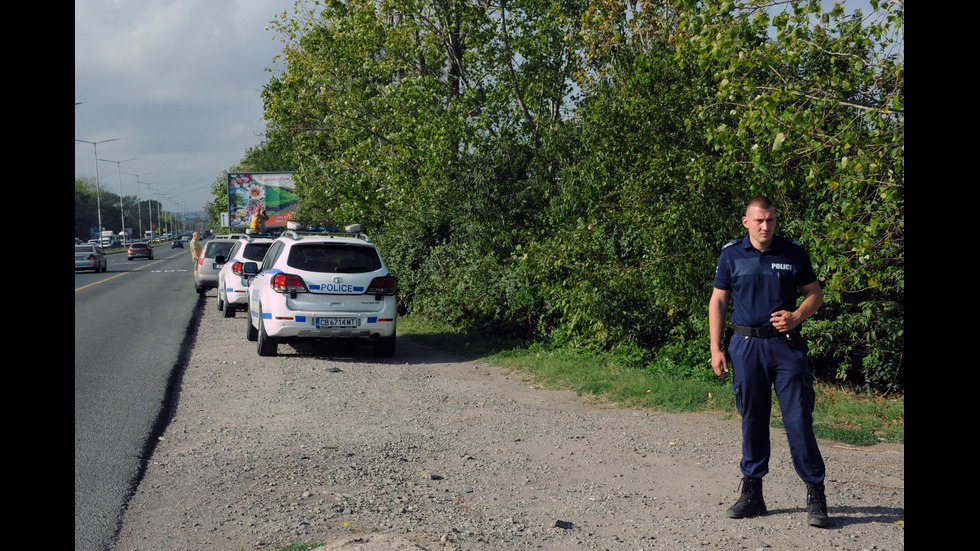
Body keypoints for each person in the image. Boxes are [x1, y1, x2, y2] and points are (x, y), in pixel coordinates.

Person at [708, 195, 831, 528]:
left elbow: (815, 294)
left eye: (771, 220)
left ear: (776, 221)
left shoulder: (793, 252)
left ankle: (816, 495)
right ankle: (753, 494)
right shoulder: (731, 254)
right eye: (759, 220)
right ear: (746, 222)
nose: (766, 226)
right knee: (752, 419)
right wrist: (716, 348)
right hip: (746, 346)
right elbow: (718, 300)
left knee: (798, 419)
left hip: (786, 347)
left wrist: (796, 316)